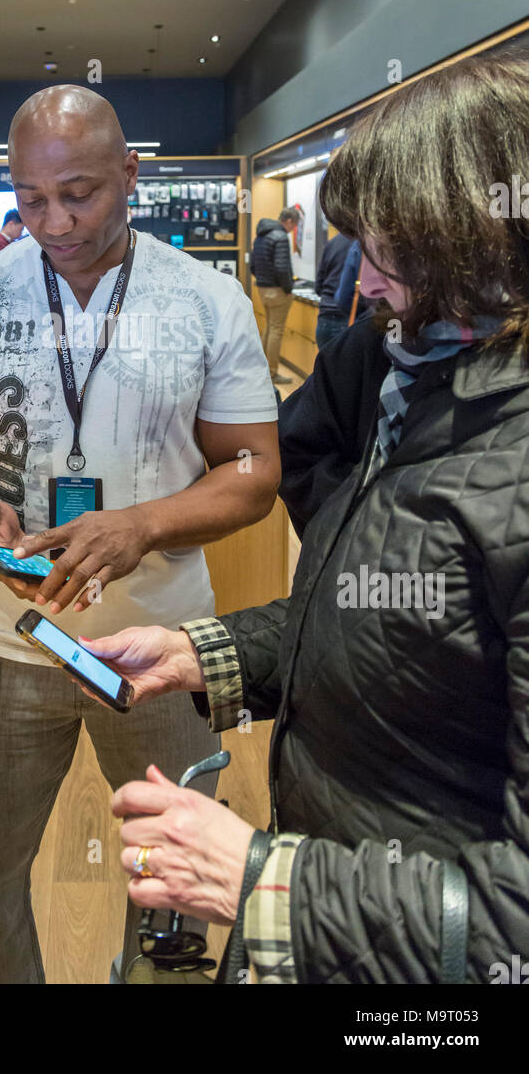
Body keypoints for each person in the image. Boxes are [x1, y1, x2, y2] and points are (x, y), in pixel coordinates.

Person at [82, 51, 529, 984]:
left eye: (389, 249)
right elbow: (390, 625)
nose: (365, 282)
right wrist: (209, 654)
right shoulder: (408, 377)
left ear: (473, 243)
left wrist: (261, 882)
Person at [0, 84, 280, 983]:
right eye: (31, 198)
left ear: (131, 175)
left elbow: (255, 470)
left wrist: (144, 524)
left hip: (164, 655)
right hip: (3, 645)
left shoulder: (206, 300)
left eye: (80, 194)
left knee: (173, 899)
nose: (55, 222)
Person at [250, 208, 298, 384]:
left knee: (269, 328)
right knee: (276, 330)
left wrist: (262, 279)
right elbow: (282, 268)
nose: (293, 229)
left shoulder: (261, 235)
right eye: (294, 225)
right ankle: (272, 372)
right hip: (278, 290)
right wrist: (288, 288)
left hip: (262, 289)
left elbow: (253, 265)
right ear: (289, 221)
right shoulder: (280, 236)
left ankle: (261, 369)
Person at [313, 229, 353, 350]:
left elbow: (318, 285)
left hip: (324, 317)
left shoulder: (332, 242)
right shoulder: (361, 245)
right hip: (347, 317)